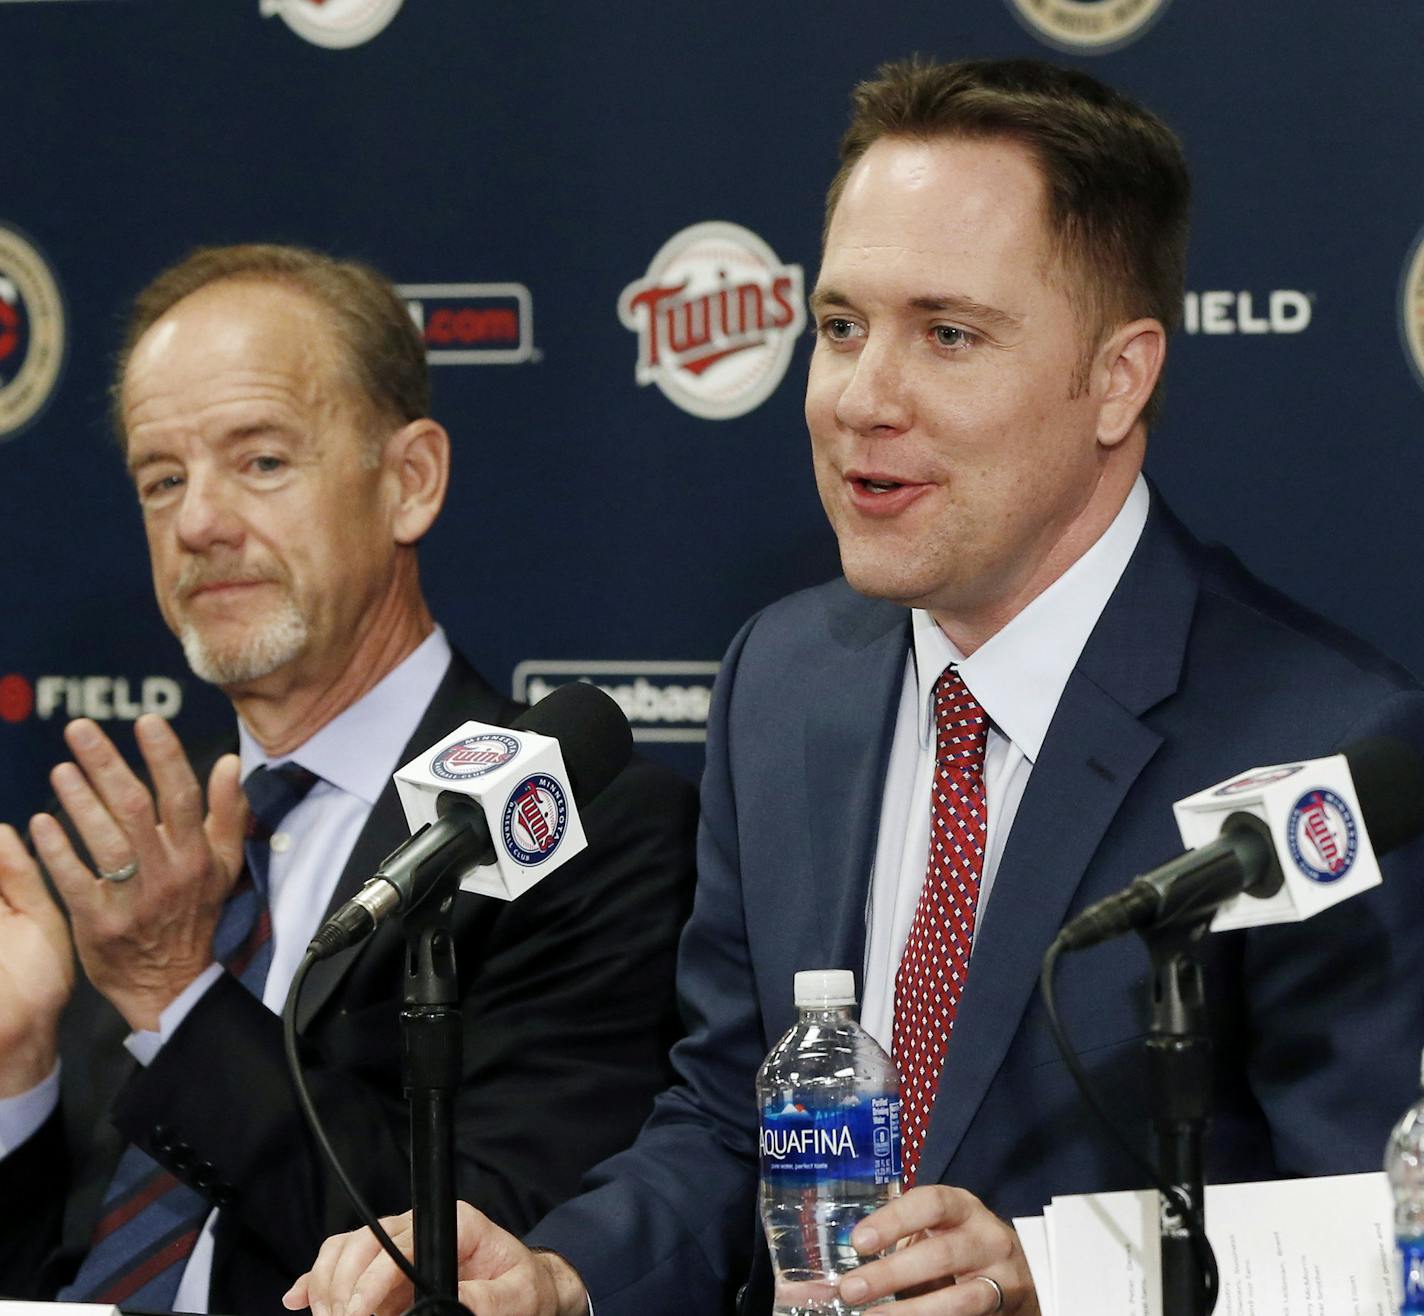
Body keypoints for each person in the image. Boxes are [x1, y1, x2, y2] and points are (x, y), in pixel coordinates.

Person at [289, 58, 1424, 1316]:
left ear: (1117, 377)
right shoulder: (785, 680)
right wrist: (564, 1275)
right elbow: (733, 1120)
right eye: (838, 327)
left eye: (946, 334)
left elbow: (1380, 1225)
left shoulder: (1323, 750)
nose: (858, 399)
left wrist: (1058, 1279)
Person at [0, 244, 698, 1315]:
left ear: (409, 480)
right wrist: (16, 1078)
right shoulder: (149, 844)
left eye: (261, 460)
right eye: (162, 479)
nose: (197, 522)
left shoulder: (569, 816)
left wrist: (179, 1000)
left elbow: (477, 1249)